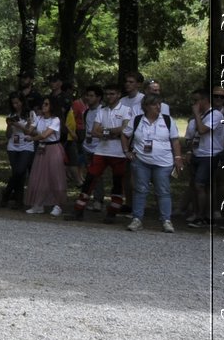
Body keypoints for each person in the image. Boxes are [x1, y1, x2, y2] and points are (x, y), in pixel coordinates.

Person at [73, 84, 131, 222]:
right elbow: (94, 131)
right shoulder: (102, 110)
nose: (109, 96)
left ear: (118, 95)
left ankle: (112, 212)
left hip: (118, 153)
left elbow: (126, 128)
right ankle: (79, 210)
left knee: (117, 183)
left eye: (112, 94)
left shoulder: (126, 110)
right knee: (90, 179)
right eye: (108, 94)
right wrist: (112, 132)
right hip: (101, 151)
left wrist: (105, 132)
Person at [126, 93, 182, 233]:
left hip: (163, 162)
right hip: (141, 161)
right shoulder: (137, 119)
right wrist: (127, 150)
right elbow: (124, 134)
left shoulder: (168, 120)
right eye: (154, 104)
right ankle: (137, 219)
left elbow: (175, 140)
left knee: (163, 191)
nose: (158, 107)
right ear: (146, 106)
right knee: (140, 190)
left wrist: (178, 157)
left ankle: (166, 220)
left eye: (159, 104)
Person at [186, 87, 224, 227]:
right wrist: (189, 152)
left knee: (200, 184)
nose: (194, 104)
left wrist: (196, 114)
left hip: (210, 155)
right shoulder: (200, 116)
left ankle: (202, 217)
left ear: (204, 100)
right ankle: (202, 214)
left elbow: (203, 130)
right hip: (198, 153)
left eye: (197, 101)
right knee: (199, 186)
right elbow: (191, 136)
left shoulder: (215, 115)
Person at [25, 95, 68, 215]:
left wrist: (32, 138)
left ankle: (58, 204)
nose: (43, 106)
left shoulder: (56, 120)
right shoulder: (39, 118)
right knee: (39, 176)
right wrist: (29, 124)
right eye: (43, 104)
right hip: (42, 149)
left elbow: (44, 135)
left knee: (55, 177)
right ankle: (38, 204)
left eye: (46, 104)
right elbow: (29, 131)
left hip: (53, 149)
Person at [1, 91, 37, 209]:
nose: (15, 105)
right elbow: (7, 135)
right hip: (13, 146)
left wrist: (17, 125)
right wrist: (9, 125)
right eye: (13, 103)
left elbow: (29, 131)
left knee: (20, 171)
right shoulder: (11, 114)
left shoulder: (31, 114)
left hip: (26, 145)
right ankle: (18, 199)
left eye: (17, 102)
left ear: (22, 101)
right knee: (17, 173)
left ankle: (7, 193)